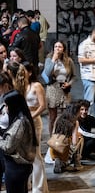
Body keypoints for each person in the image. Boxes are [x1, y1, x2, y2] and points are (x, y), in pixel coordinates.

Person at [0, 90, 37, 193]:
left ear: (13, 105)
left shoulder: (19, 123)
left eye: (6, 105)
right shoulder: (22, 117)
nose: (5, 109)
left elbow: (8, 147)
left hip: (16, 167)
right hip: (20, 166)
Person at [24, 62, 49, 193]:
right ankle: (27, 183)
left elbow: (43, 105)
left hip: (35, 120)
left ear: (30, 72)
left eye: (24, 71)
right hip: (24, 121)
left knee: (36, 154)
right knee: (26, 153)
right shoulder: (22, 86)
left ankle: (39, 188)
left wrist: (32, 116)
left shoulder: (37, 86)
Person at [43, 41, 76, 136]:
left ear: (63, 49)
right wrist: (53, 59)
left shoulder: (69, 61)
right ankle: (52, 137)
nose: (57, 48)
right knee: (52, 117)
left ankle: (63, 135)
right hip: (52, 89)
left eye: (60, 47)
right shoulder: (49, 59)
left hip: (64, 89)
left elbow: (74, 76)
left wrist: (69, 84)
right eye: (55, 46)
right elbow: (47, 73)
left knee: (65, 115)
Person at [78, 25, 95, 120]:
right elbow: (81, 60)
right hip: (89, 76)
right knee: (89, 100)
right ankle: (85, 119)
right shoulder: (84, 44)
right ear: (93, 33)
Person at [51, 101, 84, 174]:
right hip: (64, 148)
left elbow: (53, 133)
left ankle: (59, 160)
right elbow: (75, 142)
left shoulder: (58, 118)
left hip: (53, 146)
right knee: (80, 139)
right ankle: (77, 163)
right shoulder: (74, 122)